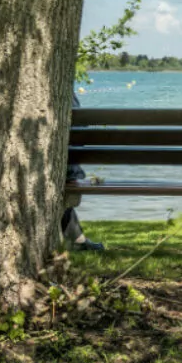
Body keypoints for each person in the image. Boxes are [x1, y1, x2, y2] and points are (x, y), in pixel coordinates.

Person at [62, 91, 104, 251]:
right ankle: (78, 240)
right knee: (66, 181)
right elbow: (81, 128)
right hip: (67, 169)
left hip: (59, 169)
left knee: (64, 185)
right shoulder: (66, 94)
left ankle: (78, 240)